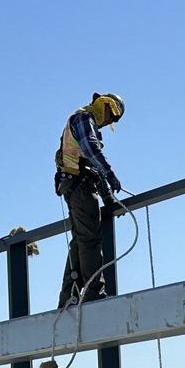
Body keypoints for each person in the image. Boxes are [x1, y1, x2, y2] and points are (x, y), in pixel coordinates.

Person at [54, 92, 125, 308]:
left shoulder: (83, 121)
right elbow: (91, 151)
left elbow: (91, 166)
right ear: (106, 106)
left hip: (77, 185)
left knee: (80, 240)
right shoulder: (84, 119)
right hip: (79, 186)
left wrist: (107, 197)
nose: (109, 122)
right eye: (111, 117)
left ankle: (68, 296)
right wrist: (110, 173)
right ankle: (94, 292)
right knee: (90, 240)